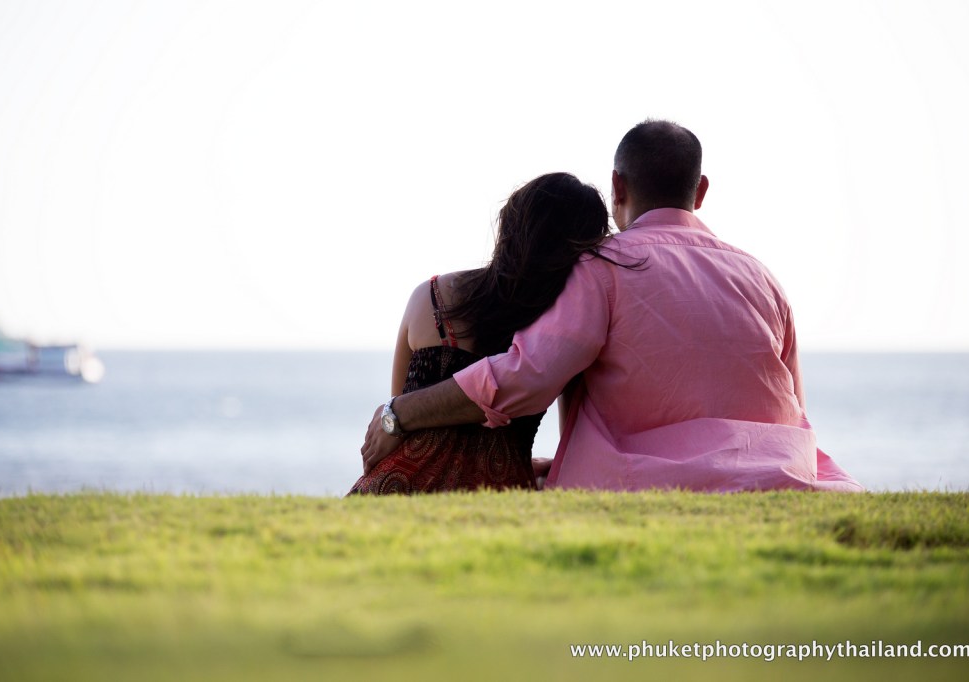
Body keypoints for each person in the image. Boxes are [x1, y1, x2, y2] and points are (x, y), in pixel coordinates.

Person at [362, 120, 863, 493]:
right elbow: (795, 408)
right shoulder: (765, 280)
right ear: (701, 190)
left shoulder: (605, 268)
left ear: (617, 187)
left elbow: (523, 377)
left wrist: (398, 413)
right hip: (786, 475)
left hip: (648, 482)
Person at [349, 172, 615, 494]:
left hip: (394, 489)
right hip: (499, 495)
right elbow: (571, 446)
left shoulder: (432, 297)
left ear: (510, 226)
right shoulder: (563, 335)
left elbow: (395, 418)